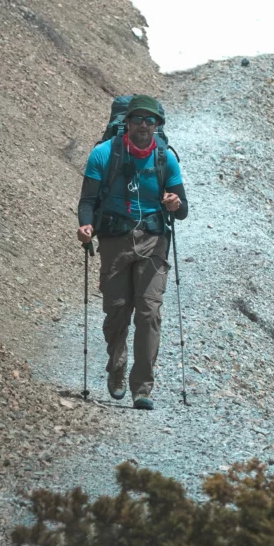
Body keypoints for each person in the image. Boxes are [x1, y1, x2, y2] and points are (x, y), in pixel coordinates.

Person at [77, 95, 188, 409]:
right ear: (126, 122)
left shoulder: (167, 158)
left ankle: (142, 388)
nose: (143, 125)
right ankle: (116, 367)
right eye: (137, 119)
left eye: (149, 121)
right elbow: (88, 201)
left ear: (157, 126)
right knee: (117, 311)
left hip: (154, 240)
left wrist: (174, 204)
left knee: (149, 312)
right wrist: (86, 226)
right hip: (114, 238)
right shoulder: (104, 154)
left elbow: (182, 210)